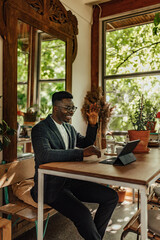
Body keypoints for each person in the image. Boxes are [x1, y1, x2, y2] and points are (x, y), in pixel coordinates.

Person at [31, 91, 118, 240]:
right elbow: (44, 155)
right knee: (84, 215)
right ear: (55, 108)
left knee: (111, 197)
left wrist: (92, 124)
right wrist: (80, 154)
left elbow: (85, 143)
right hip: (50, 186)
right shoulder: (40, 129)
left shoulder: (69, 128)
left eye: (73, 108)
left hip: (70, 181)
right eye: (67, 108)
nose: (71, 111)